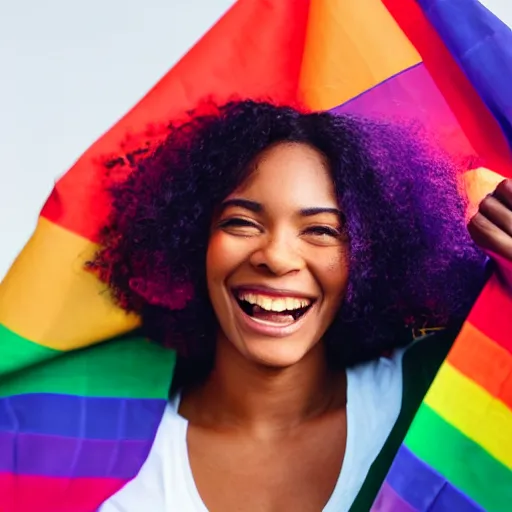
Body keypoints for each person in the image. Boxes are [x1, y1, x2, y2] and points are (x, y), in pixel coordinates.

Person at [87, 100, 512, 511]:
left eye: (322, 230)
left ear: (371, 255)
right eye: (241, 222)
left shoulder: (437, 391)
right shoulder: (89, 444)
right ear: (190, 239)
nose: (276, 256)